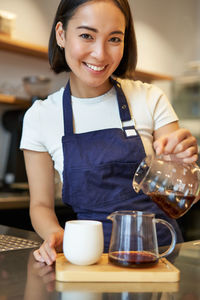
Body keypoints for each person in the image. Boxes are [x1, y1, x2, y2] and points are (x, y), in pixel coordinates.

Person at [20, 0, 198, 265]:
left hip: (161, 256)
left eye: (114, 38)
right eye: (86, 36)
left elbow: (185, 195)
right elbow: (41, 206)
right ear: (61, 34)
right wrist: (55, 233)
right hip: (89, 258)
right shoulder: (40, 117)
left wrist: (183, 163)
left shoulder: (149, 98)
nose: (100, 54)